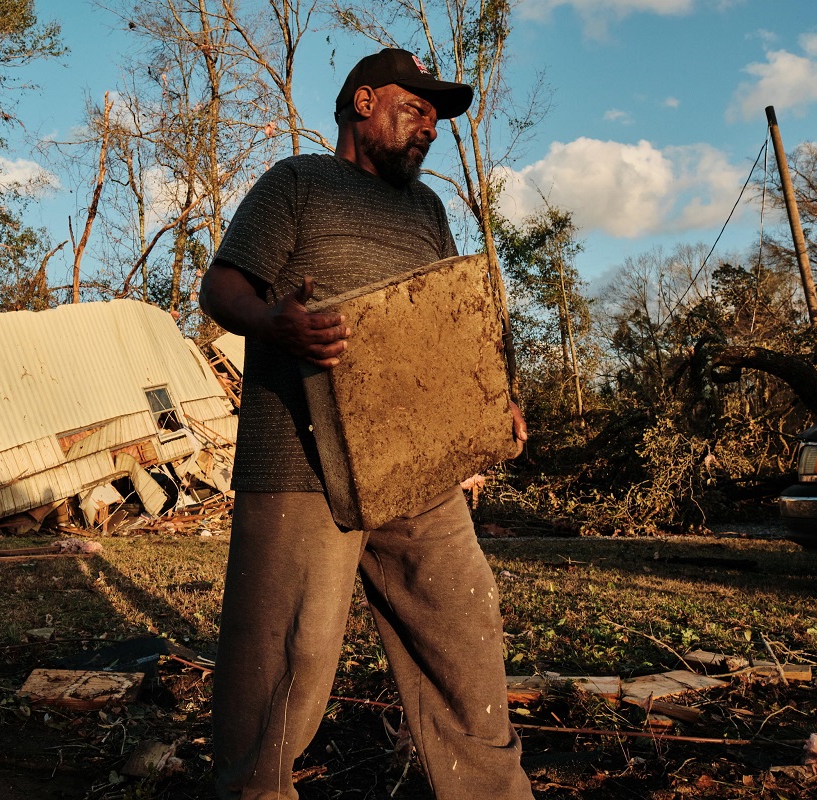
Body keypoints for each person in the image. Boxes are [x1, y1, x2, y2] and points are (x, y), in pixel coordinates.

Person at [199, 48, 534, 800]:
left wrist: (493, 398)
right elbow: (221, 285)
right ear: (362, 102)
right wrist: (272, 323)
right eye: (415, 109)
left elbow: (451, 319)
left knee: (466, 632)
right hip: (300, 464)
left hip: (416, 466)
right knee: (286, 664)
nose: (430, 129)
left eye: (436, 118)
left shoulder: (429, 210)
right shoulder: (296, 184)